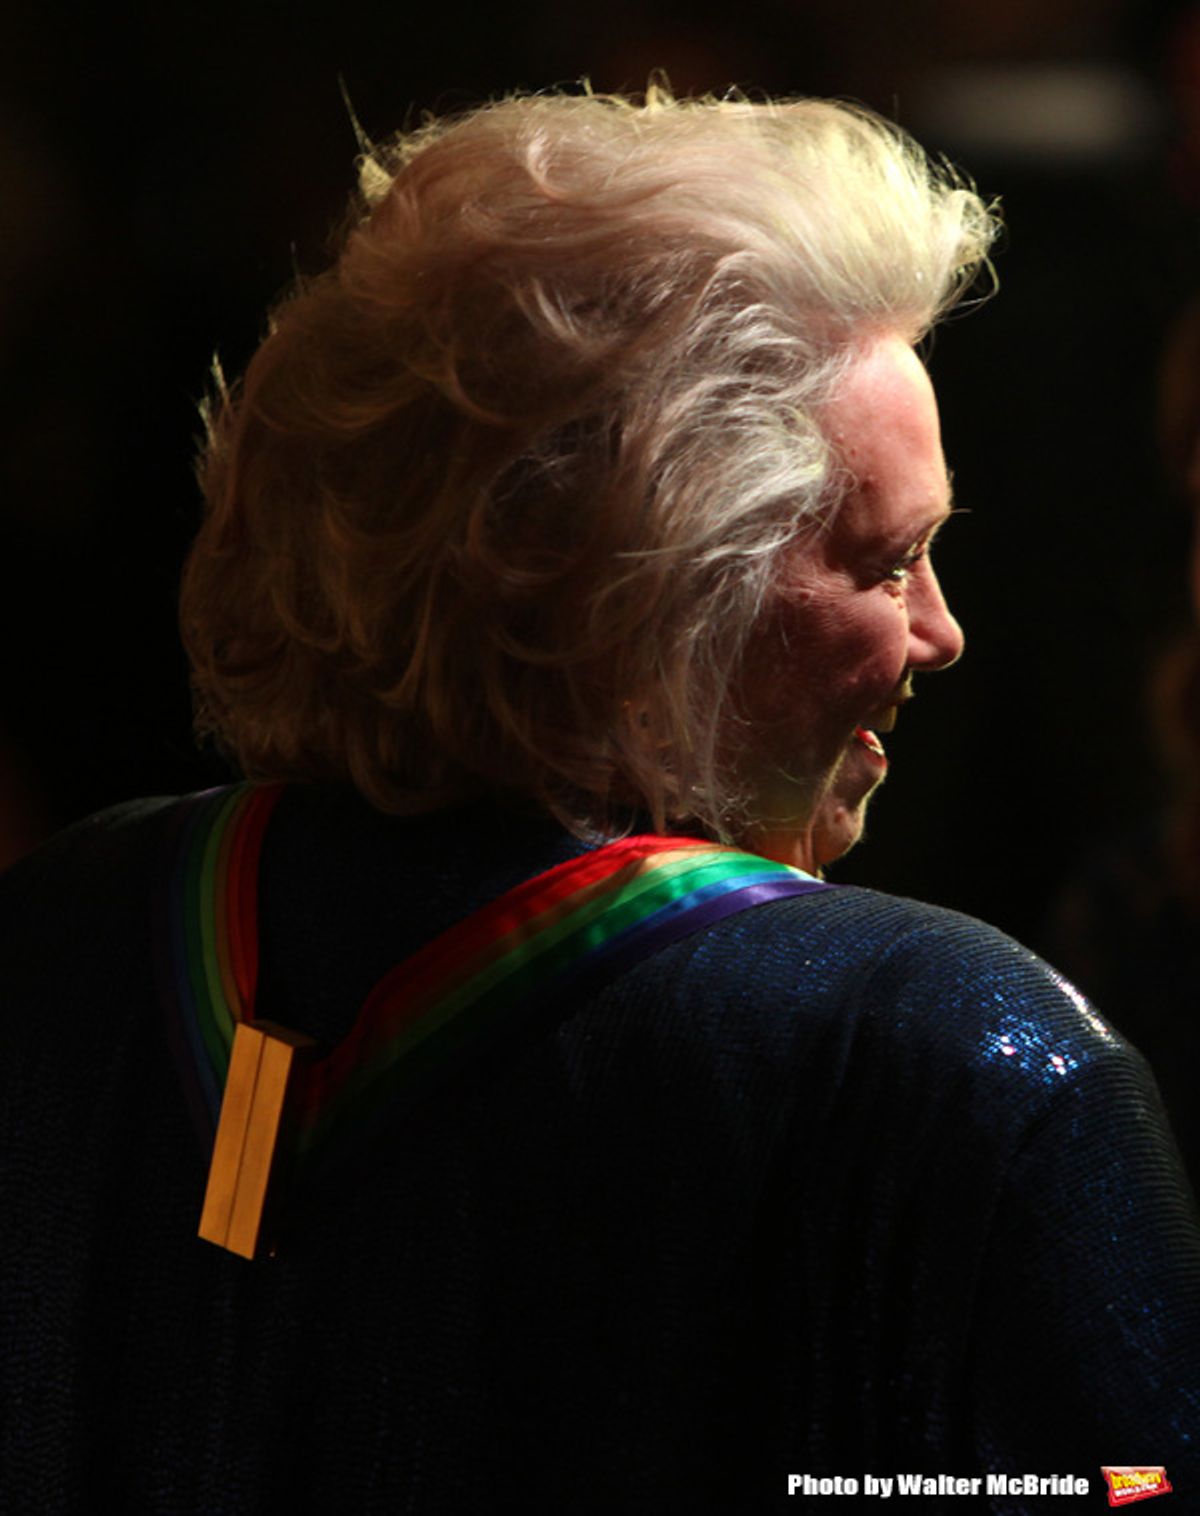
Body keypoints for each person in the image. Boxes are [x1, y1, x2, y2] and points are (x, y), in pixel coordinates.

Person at [1, 88, 1196, 1514]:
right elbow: (1121, 1490)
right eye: (887, 563)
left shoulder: (65, 928)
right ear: (657, 607)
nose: (942, 633)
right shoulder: (938, 1054)